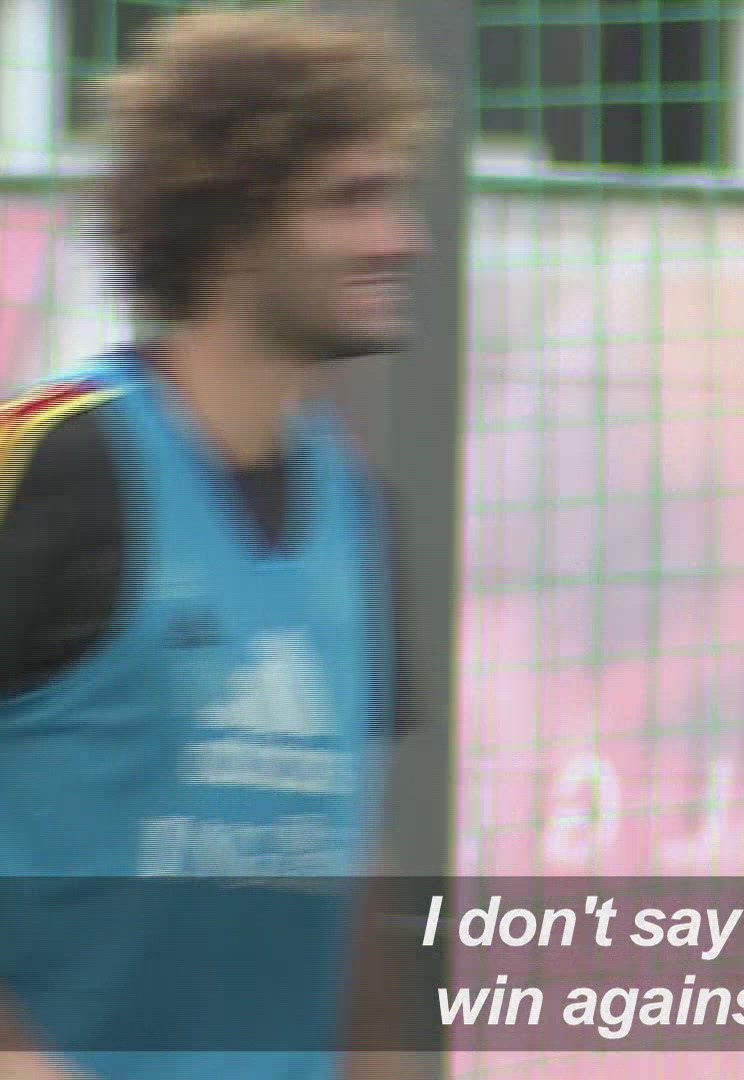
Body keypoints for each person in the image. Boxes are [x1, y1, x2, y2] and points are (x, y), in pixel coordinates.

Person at [0, 8, 440, 1079]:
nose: (403, 239)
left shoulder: (359, 512)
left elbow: (352, 868)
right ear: (233, 222)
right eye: (351, 200)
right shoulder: (52, 461)